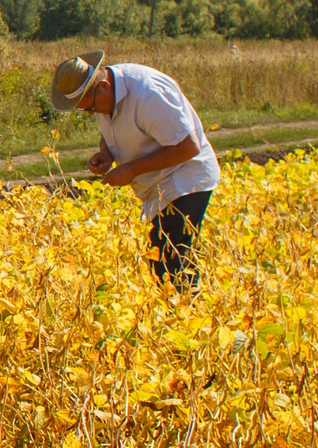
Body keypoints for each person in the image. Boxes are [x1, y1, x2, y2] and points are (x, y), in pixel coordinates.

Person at [51, 50, 221, 288]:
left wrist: (131, 169)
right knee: (163, 258)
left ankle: (186, 313)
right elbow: (112, 130)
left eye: (90, 108)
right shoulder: (103, 97)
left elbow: (188, 147)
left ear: (103, 85)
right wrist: (106, 153)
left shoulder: (147, 95)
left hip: (185, 177)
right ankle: (179, 311)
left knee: (172, 257)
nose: (91, 113)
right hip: (157, 185)